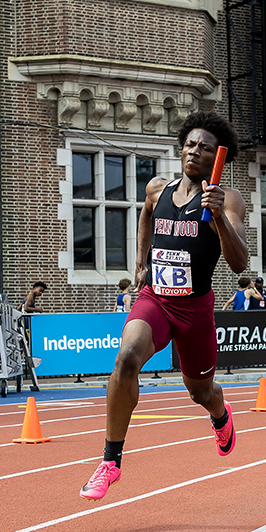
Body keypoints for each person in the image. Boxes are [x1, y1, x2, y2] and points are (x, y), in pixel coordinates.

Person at [80, 112, 248, 501]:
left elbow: (240, 263)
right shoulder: (158, 188)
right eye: (190, 144)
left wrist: (219, 217)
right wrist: (141, 261)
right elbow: (146, 214)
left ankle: (219, 414)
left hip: (194, 310)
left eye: (205, 148)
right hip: (156, 297)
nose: (195, 152)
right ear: (181, 148)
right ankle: (110, 462)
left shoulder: (229, 199)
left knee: (200, 392)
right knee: (126, 359)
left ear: (217, 157)